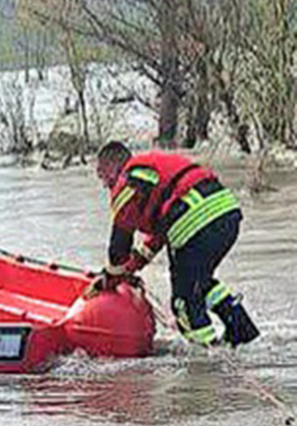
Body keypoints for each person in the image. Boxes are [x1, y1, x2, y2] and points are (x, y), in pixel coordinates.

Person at [86, 141, 259, 348]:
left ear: (114, 165)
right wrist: (131, 267)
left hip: (196, 222)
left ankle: (206, 362)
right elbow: (157, 238)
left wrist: (111, 276)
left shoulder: (127, 182)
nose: (104, 183)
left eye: (102, 173)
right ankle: (242, 332)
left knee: (183, 302)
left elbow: (119, 245)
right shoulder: (150, 175)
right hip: (226, 215)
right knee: (200, 283)